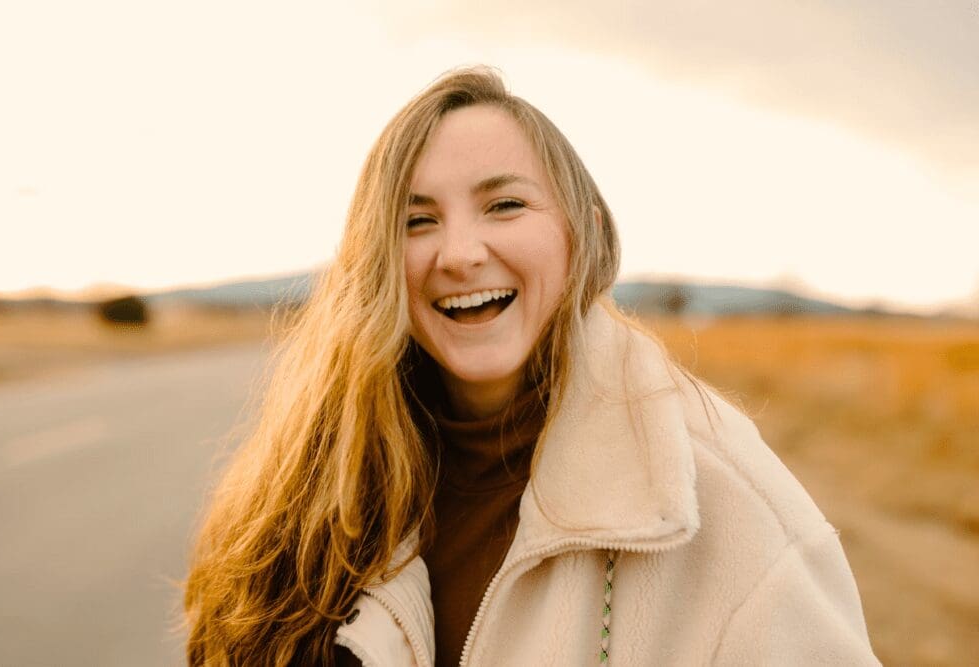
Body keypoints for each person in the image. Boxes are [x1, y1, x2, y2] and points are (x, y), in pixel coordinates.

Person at [184, 67, 879, 666]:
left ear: (581, 234)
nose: (458, 252)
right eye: (416, 220)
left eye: (504, 205)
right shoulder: (312, 480)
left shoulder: (724, 506)